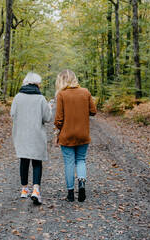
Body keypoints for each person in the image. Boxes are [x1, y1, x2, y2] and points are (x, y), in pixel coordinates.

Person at [54, 69, 97, 202]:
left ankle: (71, 193)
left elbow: (59, 119)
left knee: (69, 163)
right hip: (83, 134)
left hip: (66, 135)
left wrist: (58, 128)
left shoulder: (62, 94)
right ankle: (82, 184)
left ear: (62, 80)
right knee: (81, 160)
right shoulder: (85, 92)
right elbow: (93, 111)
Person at [10, 72, 52, 205]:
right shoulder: (41, 98)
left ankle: (24, 190)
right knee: (37, 162)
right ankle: (35, 190)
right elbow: (47, 118)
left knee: (24, 159)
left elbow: (12, 114)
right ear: (36, 83)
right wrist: (49, 108)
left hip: (21, 133)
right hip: (36, 134)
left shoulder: (18, 97)